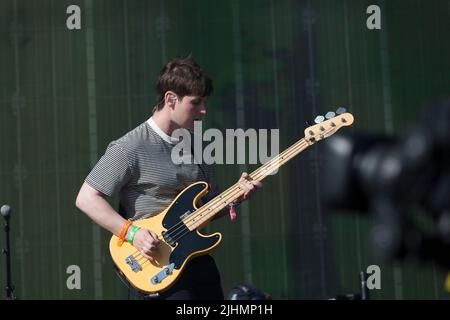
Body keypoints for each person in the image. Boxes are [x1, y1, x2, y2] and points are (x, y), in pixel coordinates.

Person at [75, 56, 262, 300]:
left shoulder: (200, 144)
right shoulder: (129, 147)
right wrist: (133, 234)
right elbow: (86, 198)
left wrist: (235, 197)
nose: (203, 111)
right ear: (170, 99)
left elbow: (205, 209)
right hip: (154, 266)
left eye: (205, 102)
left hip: (196, 261)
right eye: (196, 103)